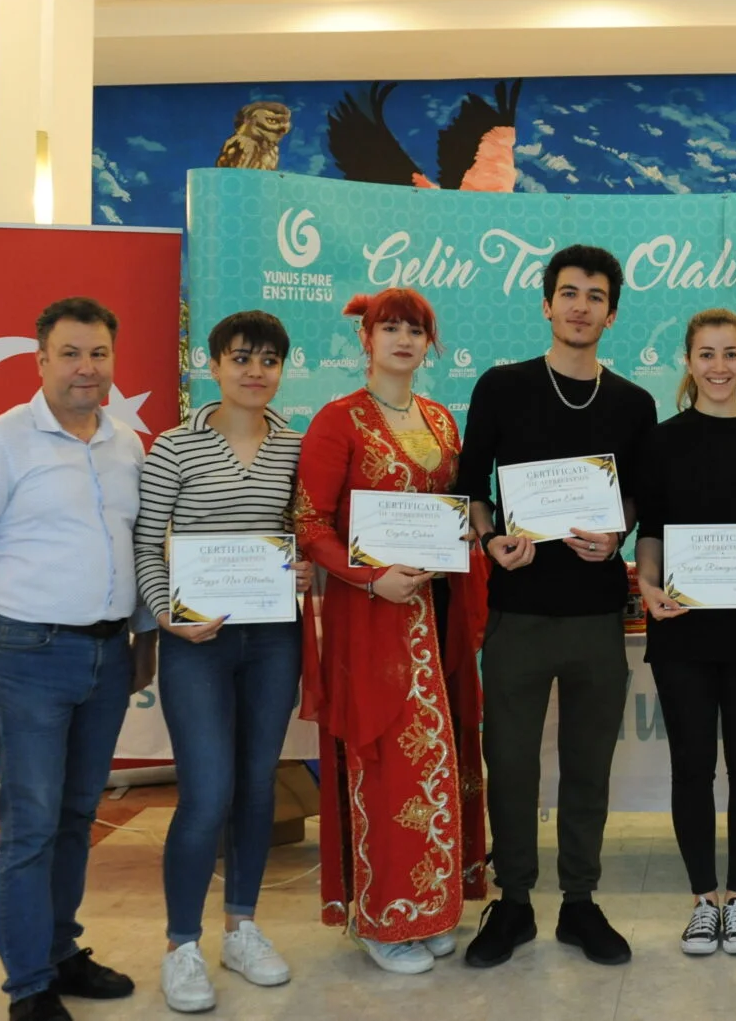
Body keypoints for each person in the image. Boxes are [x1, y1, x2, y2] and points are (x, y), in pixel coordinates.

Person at [0, 297, 146, 1021]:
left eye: (99, 354)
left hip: (108, 653)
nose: (87, 368)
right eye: (71, 353)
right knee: (31, 824)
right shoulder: (1, 440)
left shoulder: (126, 443)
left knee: (78, 813)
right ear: (41, 360)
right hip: (28, 653)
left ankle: (59, 950)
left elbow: (136, 542)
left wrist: (142, 635)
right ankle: (28, 985)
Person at [457, 245, 658, 968]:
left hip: (596, 617)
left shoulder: (634, 403)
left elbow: (639, 497)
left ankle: (580, 902)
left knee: (588, 766)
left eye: (596, 296)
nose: (581, 306)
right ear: (547, 304)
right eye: (569, 292)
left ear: (612, 313)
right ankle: (513, 902)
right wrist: (490, 540)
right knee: (510, 763)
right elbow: (470, 485)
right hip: (516, 611)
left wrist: (616, 534)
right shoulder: (502, 386)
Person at [291, 288, 483, 974]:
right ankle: (381, 916)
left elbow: (454, 510)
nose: (403, 339)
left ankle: (430, 906)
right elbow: (310, 524)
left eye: (415, 330)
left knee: (438, 759)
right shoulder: (337, 419)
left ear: (429, 343)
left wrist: (470, 536)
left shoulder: (440, 420)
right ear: (365, 339)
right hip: (371, 615)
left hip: (434, 613)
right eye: (390, 327)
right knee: (386, 762)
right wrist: (371, 578)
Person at [132, 310, 311, 1013]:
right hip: (195, 644)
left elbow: (308, 537)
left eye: (268, 360)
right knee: (207, 792)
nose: (254, 371)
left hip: (273, 640)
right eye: (241, 358)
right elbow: (147, 543)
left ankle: (241, 927)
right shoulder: (174, 447)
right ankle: (181, 944)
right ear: (212, 365)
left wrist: (306, 571)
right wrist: (167, 613)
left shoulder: (296, 447)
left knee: (258, 785)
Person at [632, 309, 736, 958]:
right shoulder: (662, 441)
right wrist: (648, 585)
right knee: (692, 766)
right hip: (682, 628)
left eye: (731, 353)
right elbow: (650, 531)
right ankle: (704, 901)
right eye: (707, 354)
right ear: (689, 361)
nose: (719, 366)